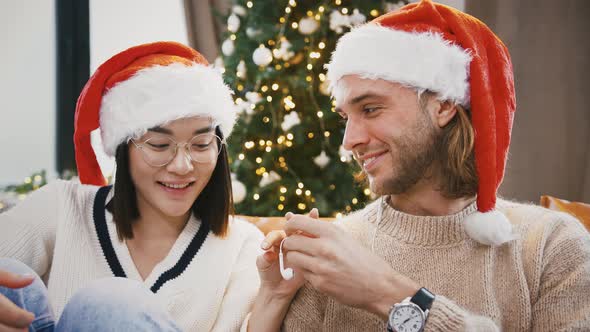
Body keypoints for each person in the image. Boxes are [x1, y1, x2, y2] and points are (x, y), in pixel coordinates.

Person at [246, 1, 590, 331]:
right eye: (345, 118)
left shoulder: (552, 245)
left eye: (370, 109)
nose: (349, 140)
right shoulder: (332, 253)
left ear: (443, 105)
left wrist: (387, 294)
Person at [0, 41, 263, 331]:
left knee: (110, 303)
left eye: (201, 145)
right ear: (124, 148)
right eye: (160, 145)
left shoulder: (241, 245)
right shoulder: (62, 207)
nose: (182, 166)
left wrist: (276, 293)